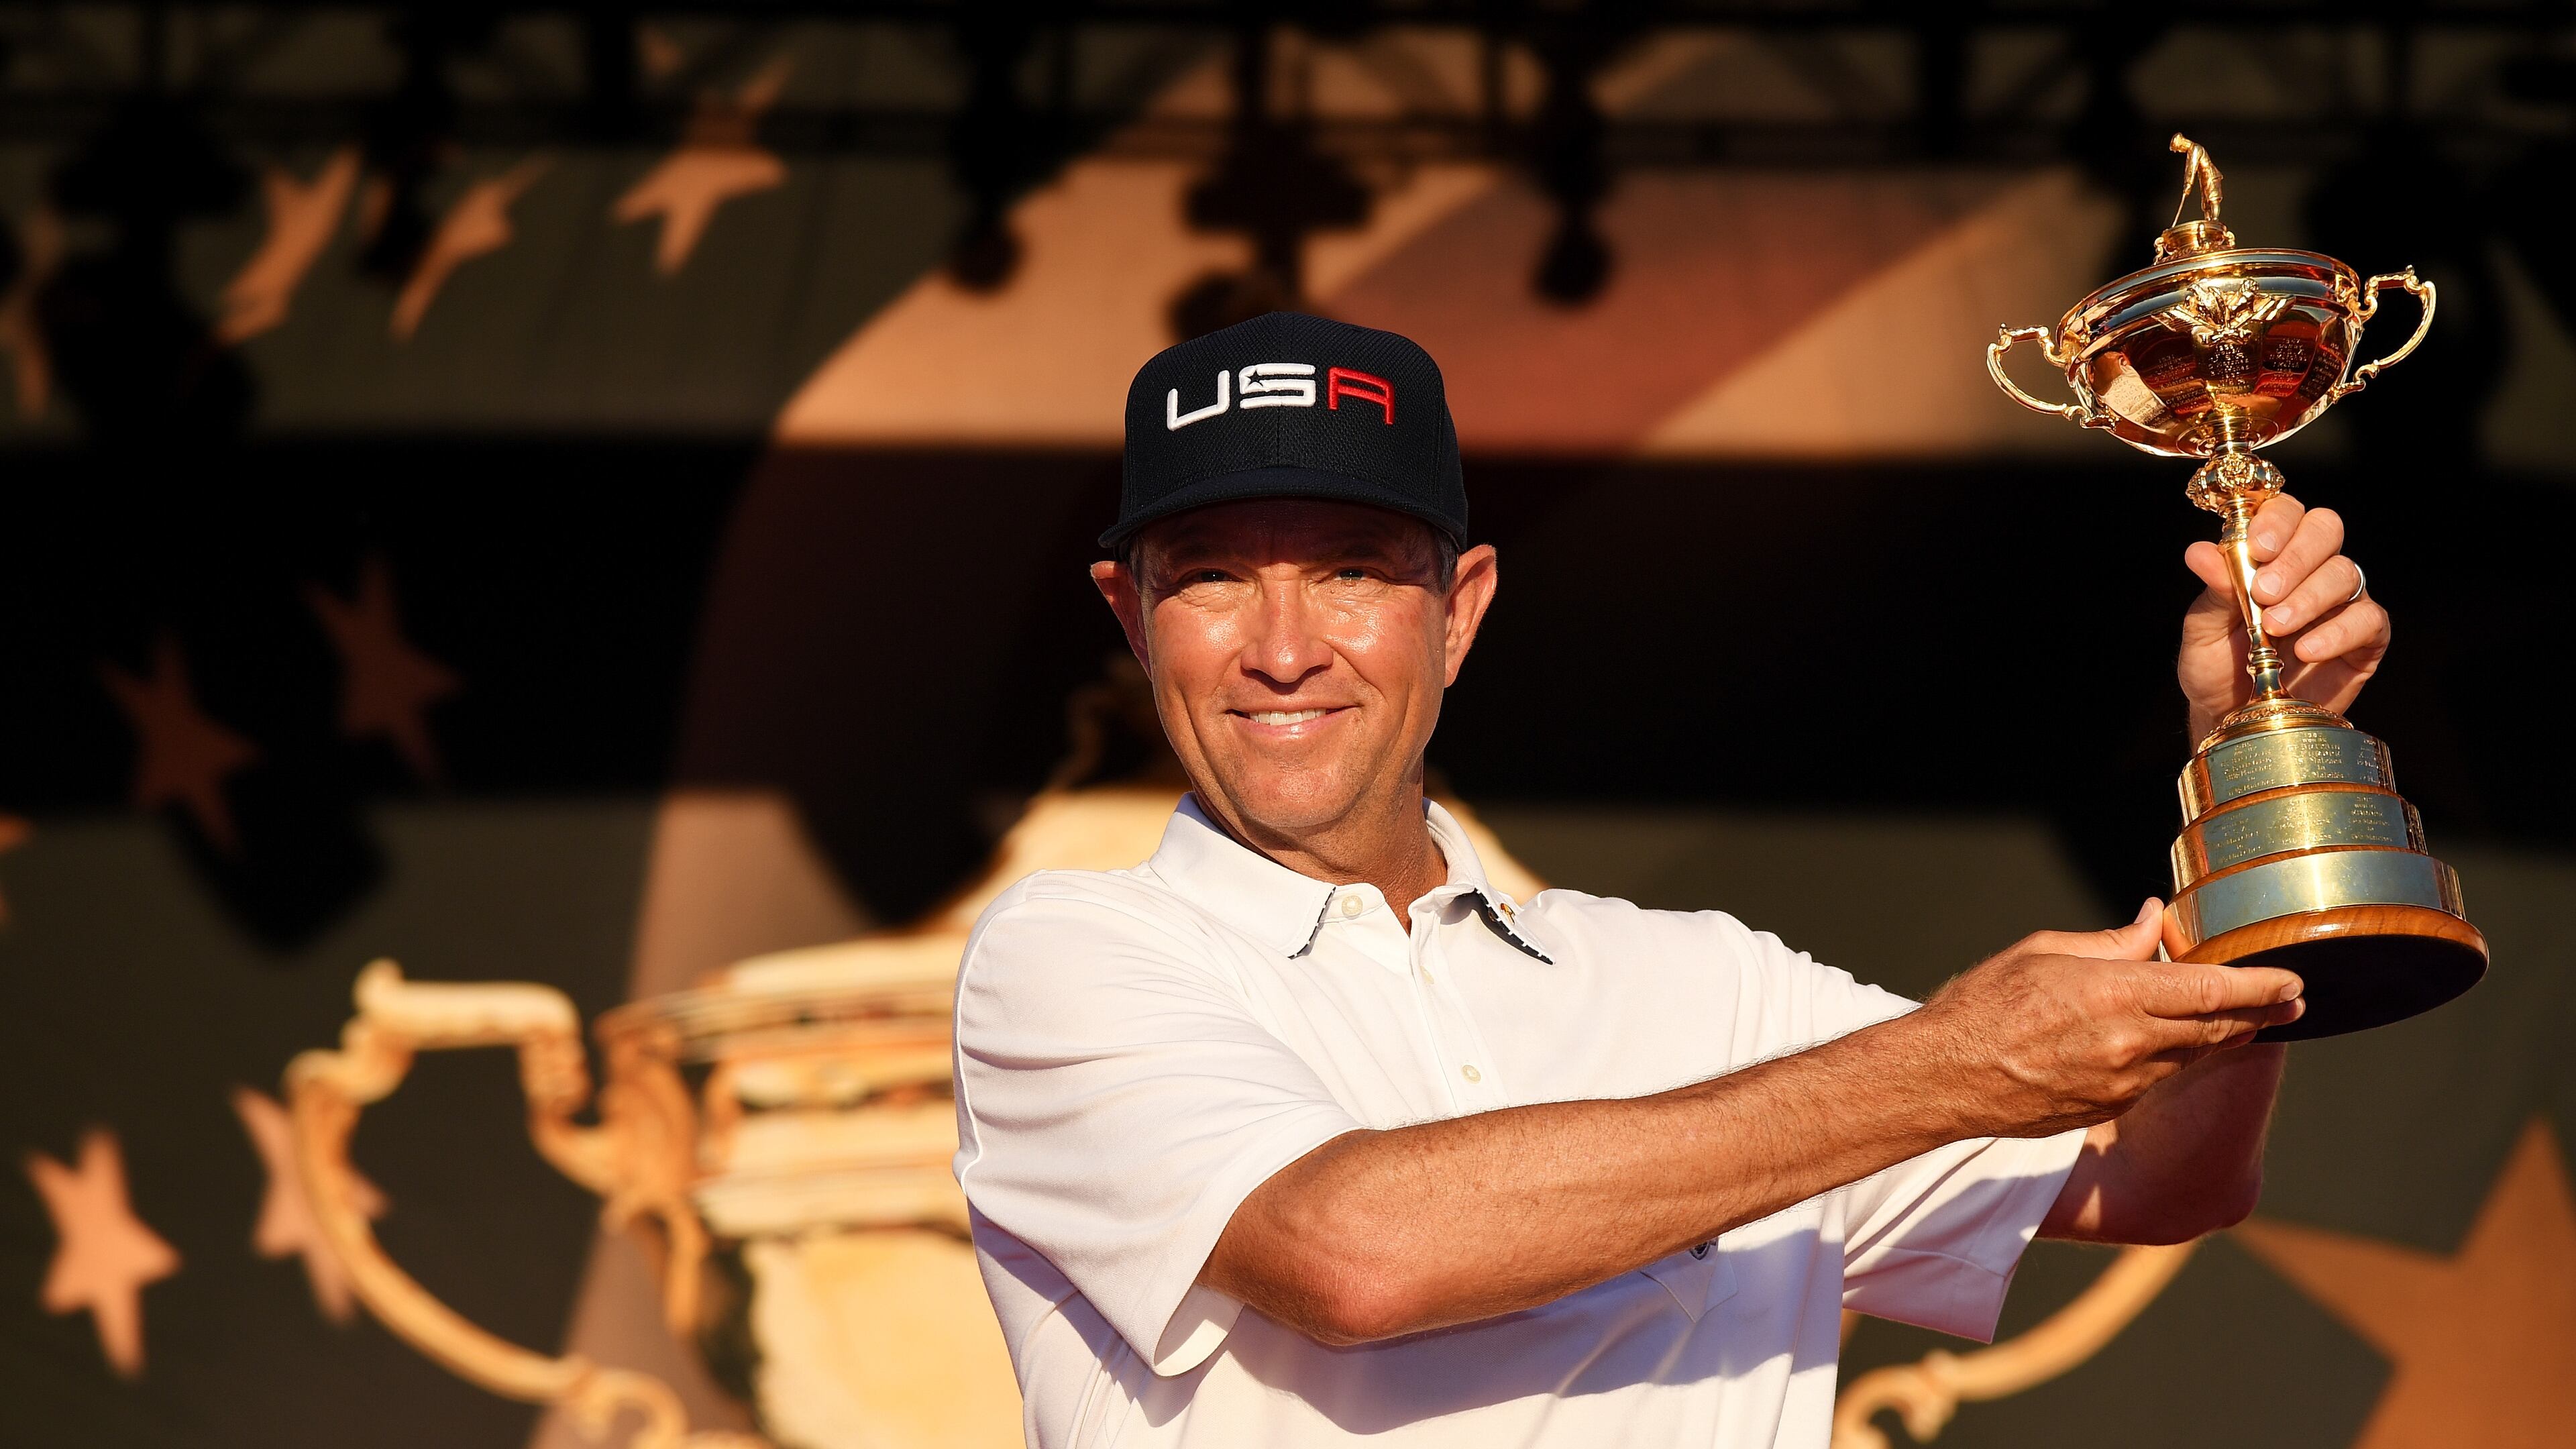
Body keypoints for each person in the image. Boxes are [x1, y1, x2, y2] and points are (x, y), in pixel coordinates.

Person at [951, 313, 2387, 1448]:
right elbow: (1353, 1255)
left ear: (1459, 612)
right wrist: (1950, 1066)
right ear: (1130, 620)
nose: (1281, 646)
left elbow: (2160, 1177)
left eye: (1351, 574)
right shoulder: (1071, 956)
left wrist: (2261, 764)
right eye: (1207, 578)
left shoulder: (1705, 979)